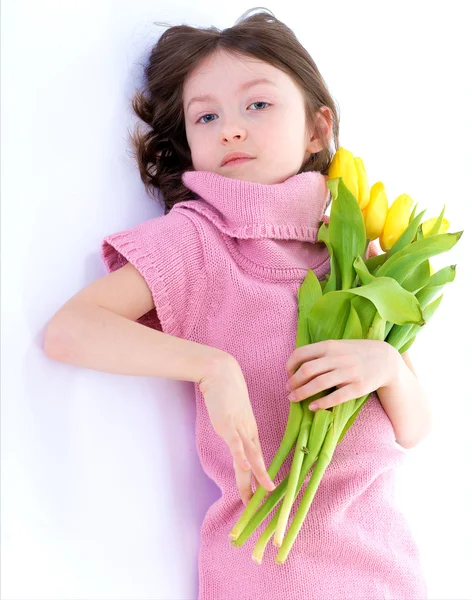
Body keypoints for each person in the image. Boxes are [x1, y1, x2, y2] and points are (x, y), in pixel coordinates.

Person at [44, 7, 431, 600]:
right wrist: (211, 366)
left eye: (258, 104)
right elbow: (69, 330)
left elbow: (415, 429)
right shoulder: (198, 240)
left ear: (317, 130)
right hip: (266, 575)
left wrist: (387, 367)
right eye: (207, 116)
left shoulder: (357, 258)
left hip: (386, 573)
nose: (230, 128)